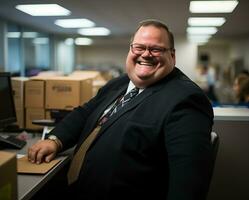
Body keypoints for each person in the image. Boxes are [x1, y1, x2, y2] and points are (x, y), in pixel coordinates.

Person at [28, 19, 214, 200]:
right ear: (130, 50)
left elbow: (188, 184)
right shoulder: (122, 82)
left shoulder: (185, 99)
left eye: (156, 49)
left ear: (172, 56)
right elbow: (85, 112)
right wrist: (55, 140)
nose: (146, 54)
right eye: (139, 47)